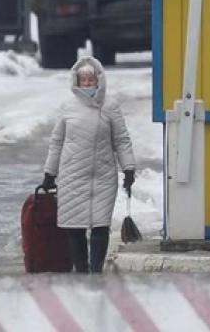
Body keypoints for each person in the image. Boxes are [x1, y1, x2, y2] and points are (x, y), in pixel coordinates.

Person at [41, 56, 136, 273]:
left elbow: (121, 139)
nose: (87, 84)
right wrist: (50, 173)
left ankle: (96, 272)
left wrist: (128, 168)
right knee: (75, 228)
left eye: (91, 79)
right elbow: (56, 142)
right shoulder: (67, 107)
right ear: (76, 81)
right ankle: (82, 271)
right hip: (72, 175)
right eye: (83, 80)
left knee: (100, 227)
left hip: (103, 176)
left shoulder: (110, 106)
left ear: (99, 80)